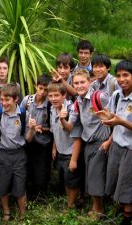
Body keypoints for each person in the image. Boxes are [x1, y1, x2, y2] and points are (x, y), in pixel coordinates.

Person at [96, 60, 132, 225]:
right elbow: (115, 120)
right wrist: (108, 124)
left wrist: (120, 121)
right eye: (119, 75)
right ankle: (120, 211)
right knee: (115, 181)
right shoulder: (116, 95)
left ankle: (127, 219)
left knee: (128, 185)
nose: (122, 79)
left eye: (126, 75)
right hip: (117, 146)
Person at [0, 82, 37, 221]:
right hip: (1, 154)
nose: (4, 103)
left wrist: (32, 129)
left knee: (20, 185)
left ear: (16, 99)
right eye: (2, 99)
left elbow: (28, 138)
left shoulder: (24, 115)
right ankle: (7, 211)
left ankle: (22, 213)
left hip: (19, 154)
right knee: (2, 185)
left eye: (7, 100)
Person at [66, 68, 111, 219]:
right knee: (91, 175)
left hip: (100, 142)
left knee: (95, 175)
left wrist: (109, 141)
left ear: (90, 82)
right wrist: (62, 118)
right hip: (88, 143)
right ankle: (95, 205)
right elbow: (72, 125)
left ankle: (98, 209)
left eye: (82, 82)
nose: (79, 86)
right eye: (76, 83)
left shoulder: (100, 97)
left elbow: (116, 118)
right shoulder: (77, 102)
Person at [47, 81, 83, 209]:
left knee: (71, 181)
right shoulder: (52, 109)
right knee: (65, 180)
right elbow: (55, 131)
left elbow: (76, 136)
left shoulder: (71, 109)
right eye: (50, 96)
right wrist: (54, 148)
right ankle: (72, 202)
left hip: (71, 152)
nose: (53, 99)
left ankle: (71, 206)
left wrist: (73, 160)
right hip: (60, 151)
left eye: (56, 95)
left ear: (64, 95)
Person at [20, 74, 52, 199]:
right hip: (28, 141)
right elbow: (19, 116)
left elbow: (53, 127)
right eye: (40, 88)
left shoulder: (50, 104)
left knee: (42, 170)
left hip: (43, 143)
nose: (43, 92)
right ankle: (29, 193)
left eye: (46, 90)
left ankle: (41, 194)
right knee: (28, 167)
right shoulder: (27, 100)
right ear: (36, 86)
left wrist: (42, 129)